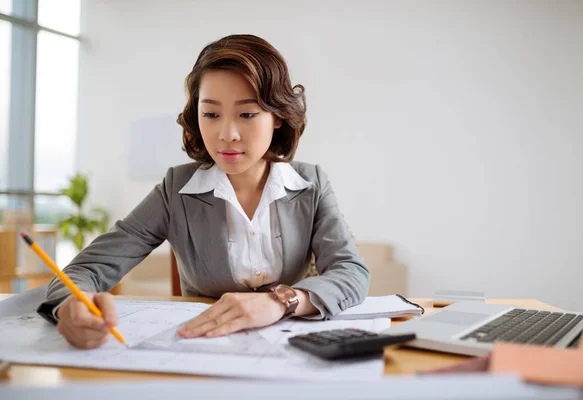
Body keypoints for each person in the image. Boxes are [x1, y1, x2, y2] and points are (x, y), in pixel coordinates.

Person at [38, 34, 369, 349]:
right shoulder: (176, 190)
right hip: (200, 350)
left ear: (278, 116)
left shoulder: (310, 184)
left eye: (247, 114)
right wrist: (71, 306)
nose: (227, 134)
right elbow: (83, 270)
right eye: (210, 114)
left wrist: (280, 302)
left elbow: (350, 271)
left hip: (291, 351)